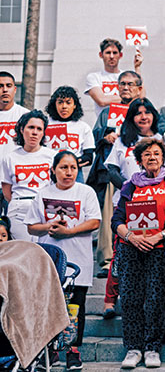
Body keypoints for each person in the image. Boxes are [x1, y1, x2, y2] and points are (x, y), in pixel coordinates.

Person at [112, 137, 165, 369]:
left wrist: (158, 236)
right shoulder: (129, 186)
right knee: (131, 299)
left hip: (160, 249)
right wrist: (131, 238)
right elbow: (117, 219)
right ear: (139, 160)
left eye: (156, 153)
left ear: (163, 158)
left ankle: (152, 348)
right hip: (131, 249)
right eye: (147, 154)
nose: (152, 157)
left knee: (156, 299)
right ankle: (133, 348)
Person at [24, 151, 101, 371]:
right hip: (49, 260)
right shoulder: (43, 193)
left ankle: (73, 351)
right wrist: (49, 227)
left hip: (79, 258)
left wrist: (70, 231)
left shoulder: (85, 192)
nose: (68, 172)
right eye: (63, 167)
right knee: (48, 306)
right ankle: (50, 351)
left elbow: (95, 222)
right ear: (54, 170)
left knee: (76, 306)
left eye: (73, 168)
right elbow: (31, 225)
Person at [102, 98, 165, 318]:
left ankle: (145, 302)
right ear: (131, 117)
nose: (143, 117)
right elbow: (112, 169)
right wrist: (131, 188)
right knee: (121, 255)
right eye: (138, 113)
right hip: (126, 204)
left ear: (154, 115)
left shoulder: (164, 140)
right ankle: (110, 299)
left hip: (156, 207)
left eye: (147, 112)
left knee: (149, 256)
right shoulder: (124, 141)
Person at [89, 71, 144, 280]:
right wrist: (106, 136)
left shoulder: (143, 110)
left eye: (130, 84)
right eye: (122, 84)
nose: (126, 87)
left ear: (139, 88)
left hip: (140, 172)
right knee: (110, 217)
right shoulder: (107, 112)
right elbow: (95, 137)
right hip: (113, 172)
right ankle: (106, 261)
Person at [0, 110, 55, 241]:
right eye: (31, 127)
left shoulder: (52, 156)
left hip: (45, 209)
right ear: (21, 129)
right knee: (24, 253)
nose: (34, 132)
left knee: (45, 254)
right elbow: (7, 190)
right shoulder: (9, 158)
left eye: (39, 129)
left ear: (43, 133)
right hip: (19, 210)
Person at [44, 86, 95, 182]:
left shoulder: (83, 127)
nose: (64, 106)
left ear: (74, 105)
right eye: (60, 102)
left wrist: (73, 161)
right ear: (54, 104)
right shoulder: (45, 124)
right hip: (48, 171)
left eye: (68, 103)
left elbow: (89, 157)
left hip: (74, 173)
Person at [85, 38, 143, 118]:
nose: (112, 56)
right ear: (101, 55)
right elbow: (102, 101)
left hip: (127, 122)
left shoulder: (127, 76)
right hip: (105, 124)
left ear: (120, 55)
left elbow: (141, 96)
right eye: (108, 53)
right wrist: (129, 97)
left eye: (115, 53)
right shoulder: (94, 77)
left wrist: (137, 68)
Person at [0, 71, 29, 155]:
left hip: (17, 166)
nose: (5, 90)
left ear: (15, 89)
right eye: (0, 86)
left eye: (8, 86)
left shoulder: (25, 115)